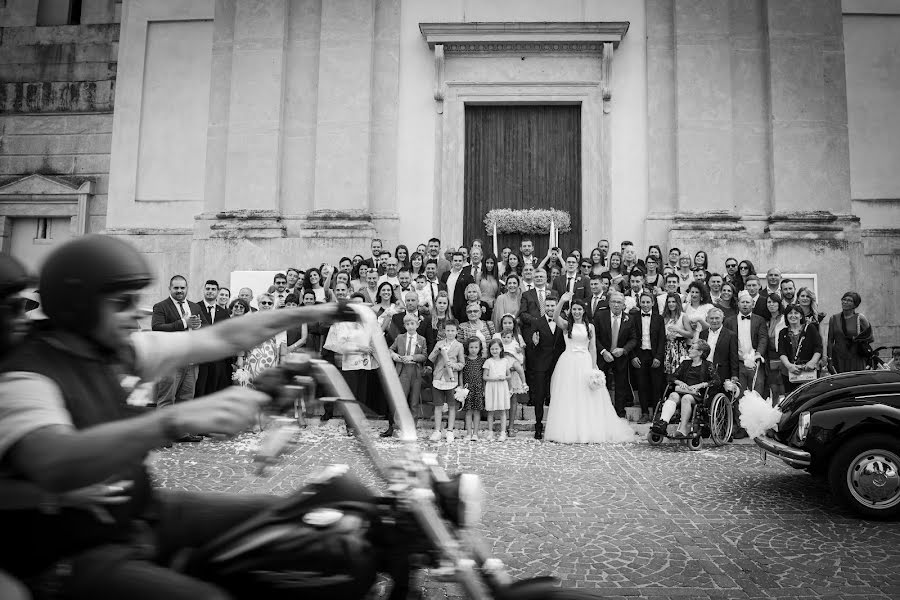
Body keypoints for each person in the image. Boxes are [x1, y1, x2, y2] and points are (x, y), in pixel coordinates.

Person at [0, 235, 346, 598]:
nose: (138, 311)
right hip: (79, 551)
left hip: (143, 512)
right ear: (80, 307)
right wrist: (174, 419)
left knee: (286, 519)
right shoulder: (26, 376)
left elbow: (221, 337)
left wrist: (311, 312)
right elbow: (53, 459)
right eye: (124, 303)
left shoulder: (115, 351)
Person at [544, 294, 635, 443]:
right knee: (570, 395)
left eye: (579, 309)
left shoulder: (590, 326)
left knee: (588, 396)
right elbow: (555, 317)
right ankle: (569, 430)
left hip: (585, 361)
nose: (576, 312)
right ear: (570, 311)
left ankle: (589, 429)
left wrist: (594, 368)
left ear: (584, 311)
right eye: (574, 309)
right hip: (568, 362)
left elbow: (592, 348)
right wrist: (561, 301)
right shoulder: (567, 325)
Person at [152, 275, 208, 441]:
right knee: (166, 400)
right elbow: (157, 328)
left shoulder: (194, 307)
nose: (179, 291)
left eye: (182, 288)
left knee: (185, 399)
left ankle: (181, 433)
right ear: (170, 288)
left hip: (191, 362)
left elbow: (206, 327)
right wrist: (183, 323)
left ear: (187, 288)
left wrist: (199, 326)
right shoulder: (161, 307)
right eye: (176, 288)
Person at [652, 340, 720, 438]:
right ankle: (663, 423)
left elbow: (717, 381)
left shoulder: (708, 365)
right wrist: (680, 382)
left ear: (700, 352)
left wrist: (701, 385)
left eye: (692, 348)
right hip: (682, 391)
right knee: (673, 395)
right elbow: (671, 377)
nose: (689, 350)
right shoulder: (685, 363)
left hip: (697, 394)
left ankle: (682, 429)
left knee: (686, 398)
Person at [724, 290, 768, 437]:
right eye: (742, 302)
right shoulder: (729, 321)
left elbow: (763, 339)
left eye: (748, 302)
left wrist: (758, 354)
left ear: (753, 304)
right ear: (738, 304)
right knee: (738, 395)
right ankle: (741, 426)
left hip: (755, 363)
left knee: (757, 393)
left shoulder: (760, 320)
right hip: (737, 363)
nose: (745, 304)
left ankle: (755, 426)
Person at [525, 293, 565, 439]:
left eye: (552, 306)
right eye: (547, 306)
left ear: (557, 306)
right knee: (539, 396)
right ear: (544, 307)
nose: (550, 308)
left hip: (559, 364)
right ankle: (538, 426)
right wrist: (533, 343)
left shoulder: (563, 322)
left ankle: (558, 426)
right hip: (541, 364)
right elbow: (530, 345)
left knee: (557, 396)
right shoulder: (537, 322)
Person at [594, 291, 638, 417]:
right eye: (613, 302)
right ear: (609, 303)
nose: (616, 305)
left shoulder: (630, 319)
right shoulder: (600, 316)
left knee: (620, 385)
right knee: (601, 384)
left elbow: (634, 339)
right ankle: (600, 411)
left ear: (624, 305)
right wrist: (603, 351)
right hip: (603, 356)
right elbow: (594, 336)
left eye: (619, 302)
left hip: (620, 357)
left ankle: (619, 413)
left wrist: (623, 350)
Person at [385, 313, 427, 438]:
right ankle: (398, 427)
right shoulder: (400, 338)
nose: (410, 326)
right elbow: (390, 349)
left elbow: (424, 355)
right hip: (403, 371)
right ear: (404, 325)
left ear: (417, 325)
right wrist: (394, 356)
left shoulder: (421, 339)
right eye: (407, 324)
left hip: (415, 371)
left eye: (412, 323)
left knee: (414, 402)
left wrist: (413, 357)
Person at [629, 292, 666, 424]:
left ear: (653, 303)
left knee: (656, 385)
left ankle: (656, 413)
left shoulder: (659, 318)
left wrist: (658, 357)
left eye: (647, 302)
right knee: (642, 385)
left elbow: (662, 340)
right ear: (639, 303)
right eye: (643, 302)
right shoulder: (633, 318)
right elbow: (629, 338)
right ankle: (644, 413)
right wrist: (633, 356)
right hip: (640, 354)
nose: (645, 305)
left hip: (654, 354)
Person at [427, 319, 465, 442]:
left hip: (451, 379)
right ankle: (437, 430)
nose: (450, 333)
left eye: (452, 331)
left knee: (452, 406)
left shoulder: (459, 346)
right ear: (444, 331)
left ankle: (450, 430)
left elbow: (462, 364)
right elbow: (431, 358)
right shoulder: (439, 343)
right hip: (438, 377)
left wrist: (453, 365)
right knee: (438, 406)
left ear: (456, 331)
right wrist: (436, 350)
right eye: (448, 330)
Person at [483, 339, 525, 442]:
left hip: (502, 387)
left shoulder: (505, 361)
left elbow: (509, 375)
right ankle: (490, 432)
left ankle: (502, 432)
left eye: (496, 348)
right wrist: (495, 379)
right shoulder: (488, 362)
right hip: (491, 387)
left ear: (501, 349)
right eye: (492, 349)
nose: (494, 351)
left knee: (502, 410)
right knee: (491, 411)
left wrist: (504, 378)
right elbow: (485, 377)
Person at [196, 279, 232, 397]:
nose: (210, 291)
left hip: (217, 359)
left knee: (214, 389)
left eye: (213, 289)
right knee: (199, 389)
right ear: (204, 290)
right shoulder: (195, 307)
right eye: (208, 289)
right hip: (199, 358)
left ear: (217, 292)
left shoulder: (224, 313)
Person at [494, 315, 527, 437]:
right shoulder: (497, 336)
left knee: (513, 398)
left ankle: (511, 426)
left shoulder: (518, 337)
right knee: (502, 396)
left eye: (510, 323)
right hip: (500, 371)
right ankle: (501, 425)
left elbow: (521, 357)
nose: (507, 325)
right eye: (505, 323)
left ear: (514, 324)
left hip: (513, 371)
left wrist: (515, 366)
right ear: (501, 324)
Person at [779, 304, 824, 394]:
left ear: (801, 316)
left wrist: (812, 362)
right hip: (790, 372)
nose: (793, 315)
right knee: (792, 399)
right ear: (786, 316)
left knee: (811, 397)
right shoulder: (783, 332)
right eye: (790, 313)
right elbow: (781, 352)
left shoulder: (810, 328)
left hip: (809, 370)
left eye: (796, 313)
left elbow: (818, 347)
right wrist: (789, 365)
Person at [827, 291, 873, 374]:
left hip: (856, 357)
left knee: (856, 382)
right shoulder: (834, 319)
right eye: (844, 299)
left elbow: (870, 337)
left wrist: (857, 339)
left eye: (849, 300)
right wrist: (829, 359)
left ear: (855, 305)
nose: (845, 302)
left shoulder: (860, 318)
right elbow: (830, 340)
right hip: (839, 358)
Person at [699, 307, 739, 392]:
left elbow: (733, 356)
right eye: (711, 318)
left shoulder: (731, 335)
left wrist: (734, 375)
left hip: (721, 372)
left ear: (722, 318)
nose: (714, 321)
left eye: (717, 318)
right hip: (704, 371)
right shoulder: (702, 334)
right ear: (707, 319)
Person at [661, 292, 694, 381]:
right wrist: (666, 337)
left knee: (679, 375)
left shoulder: (683, 316)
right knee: (667, 377)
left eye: (673, 302)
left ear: (678, 303)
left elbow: (690, 334)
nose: (671, 304)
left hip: (679, 348)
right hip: (666, 348)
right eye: (669, 302)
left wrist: (678, 330)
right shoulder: (663, 317)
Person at [460, 337, 486, 441]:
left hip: (478, 388)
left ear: (480, 348)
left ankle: (475, 433)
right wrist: (461, 386)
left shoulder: (482, 361)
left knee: (477, 411)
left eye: (476, 347)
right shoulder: (464, 360)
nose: (473, 349)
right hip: (468, 389)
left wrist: (484, 389)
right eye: (471, 347)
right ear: (467, 348)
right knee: (468, 411)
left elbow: (483, 376)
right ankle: (468, 433)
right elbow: (461, 374)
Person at [440, 251, 475, 323]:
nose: (458, 263)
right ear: (451, 262)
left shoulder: (468, 277)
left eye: (460, 261)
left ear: (463, 262)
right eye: (455, 260)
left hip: (462, 311)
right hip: (447, 309)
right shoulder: (445, 275)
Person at [764, 293, 787, 401]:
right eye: (769, 302)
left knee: (783, 386)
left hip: (783, 355)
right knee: (773, 387)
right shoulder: (767, 321)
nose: (771, 304)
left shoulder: (784, 319)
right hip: (771, 356)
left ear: (779, 304)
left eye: (774, 302)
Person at [518, 267, 551, 338]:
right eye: (536, 277)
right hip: (532, 330)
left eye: (541, 276)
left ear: (546, 279)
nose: (539, 278)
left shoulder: (554, 293)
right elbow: (523, 313)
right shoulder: (526, 294)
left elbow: (560, 310)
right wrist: (537, 321)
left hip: (550, 328)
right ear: (533, 279)